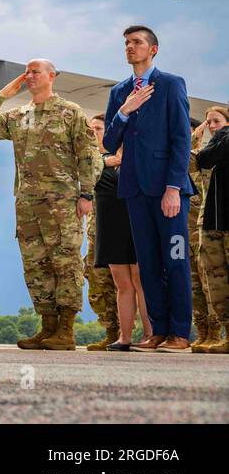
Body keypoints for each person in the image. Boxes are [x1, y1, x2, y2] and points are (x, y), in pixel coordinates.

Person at [0, 60, 100, 350]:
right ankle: (48, 327)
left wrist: (86, 194)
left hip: (62, 201)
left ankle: (65, 330)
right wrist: (4, 93)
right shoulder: (18, 115)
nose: (29, 76)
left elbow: (88, 154)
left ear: (52, 77)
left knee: (65, 264)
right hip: (28, 204)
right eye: (27, 72)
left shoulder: (70, 112)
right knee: (35, 266)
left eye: (35, 72)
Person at [102, 25, 194, 352]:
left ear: (153, 49)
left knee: (176, 258)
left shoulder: (170, 84)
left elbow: (182, 139)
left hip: (167, 189)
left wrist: (173, 187)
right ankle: (157, 332)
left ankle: (180, 334)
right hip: (134, 189)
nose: (130, 47)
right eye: (126, 43)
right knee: (149, 263)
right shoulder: (119, 92)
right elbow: (109, 142)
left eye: (137, 42)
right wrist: (125, 111)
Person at [87, 115, 147, 351]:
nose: (94, 132)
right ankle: (124, 336)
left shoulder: (134, 154)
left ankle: (150, 334)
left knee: (140, 279)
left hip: (134, 221)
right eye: (91, 128)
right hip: (109, 224)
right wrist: (105, 163)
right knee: (122, 283)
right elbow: (76, 172)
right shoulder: (92, 158)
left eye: (99, 128)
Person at [192, 105, 229, 353]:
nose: (212, 126)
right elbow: (197, 162)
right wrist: (196, 142)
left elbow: (206, 158)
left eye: (216, 121)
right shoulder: (214, 145)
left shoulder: (223, 141)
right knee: (216, 281)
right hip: (213, 220)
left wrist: (218, 135)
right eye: (209, 122)